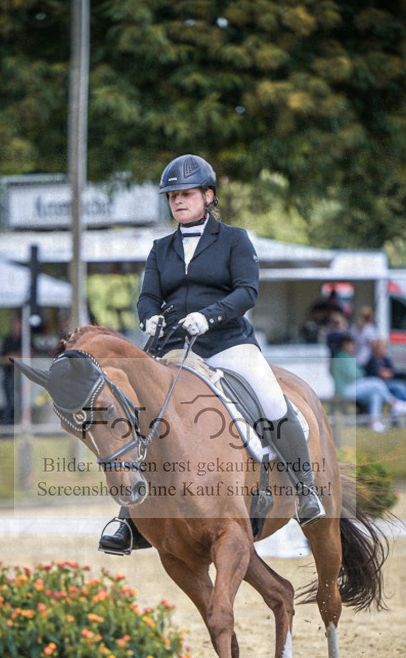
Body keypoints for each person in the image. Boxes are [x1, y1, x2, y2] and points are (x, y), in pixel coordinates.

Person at [99, 153, 326, 554]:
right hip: (174, 348)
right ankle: (128, 518)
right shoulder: (160, 248)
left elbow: (246, 291)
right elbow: (148, 295)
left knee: (273, 402)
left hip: (227, 343)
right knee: (142, 413)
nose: (178, 202)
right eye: (172, 196)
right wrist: (149, 317)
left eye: (186, 194)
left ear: (208, 195)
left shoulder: (235, 239)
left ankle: (305, 491)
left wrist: (209, 316)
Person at [330, 334, 406, 432]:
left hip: (353, 387)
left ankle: (375, 423)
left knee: (375, 394)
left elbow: (361, 371)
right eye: (352, 344)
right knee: (376, 382)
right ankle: (395, 404)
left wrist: (360, 373)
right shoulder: (341, 357)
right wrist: (361, 373)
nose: (354, 347)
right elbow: (355, 374)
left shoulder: (349, 357)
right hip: (345, 390)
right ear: (345, 345)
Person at [363, 338, 406, 404]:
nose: (384, 350)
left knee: (399, 390)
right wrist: (384, 373)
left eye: (385, 348)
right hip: (379, 386)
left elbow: (393, 372)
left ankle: (401, 409)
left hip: (388, 383)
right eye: (382, 348)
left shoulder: (386, 359)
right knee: (398, 386)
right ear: (376, 349)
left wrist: (385, 373)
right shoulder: (372, 360)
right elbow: (377, 375)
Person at [0, 316, 22, 425]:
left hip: (21, 376)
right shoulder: (7, 340)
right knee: (10, 400)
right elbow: (4, 356)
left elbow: (29, 352)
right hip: (9, 374)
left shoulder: (25, 338)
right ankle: (5, 423)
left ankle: (15, 422)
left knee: (18, 400)